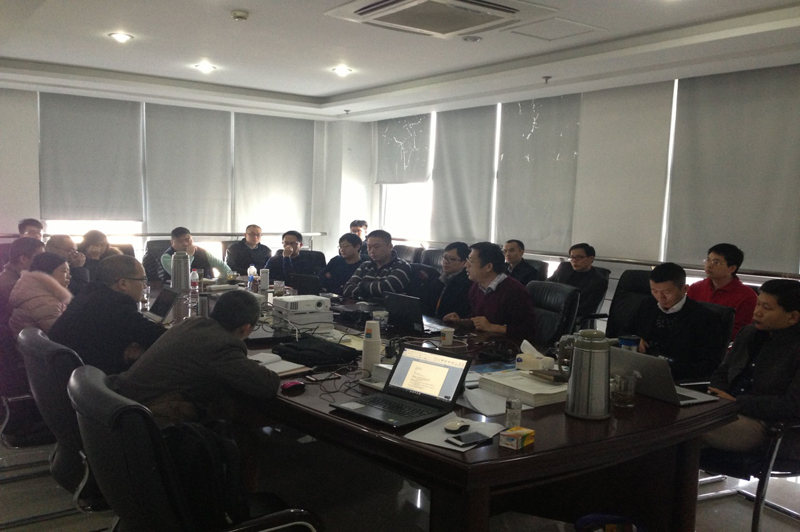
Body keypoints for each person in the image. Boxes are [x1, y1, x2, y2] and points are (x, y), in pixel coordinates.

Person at [113, 290, 280, 492]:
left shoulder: (191, 323)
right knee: (231, 414)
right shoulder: (222, 345)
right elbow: (267, 384)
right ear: (246, 328)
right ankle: (237, 489)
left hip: (123, 406)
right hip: (150, 421)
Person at [703, 280, 800, 455]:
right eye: (757, 304)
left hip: (767, 424)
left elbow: (793, 405)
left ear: (793, 317)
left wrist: (736, 403)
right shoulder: (749, 333)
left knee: (686, 429)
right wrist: (717, 394)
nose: (757, 312)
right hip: (726, 409)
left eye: (766, 308)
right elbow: (724, 371)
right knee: (672, 419)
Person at [49, 255, 166, 375]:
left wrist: (137, 343)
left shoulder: (89, 294)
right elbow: (163, 338)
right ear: (123, 283)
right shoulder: (115, 305)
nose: (145, 286)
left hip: (69, 375)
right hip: (92, 379)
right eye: (142, 280)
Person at [630, 262, 724, 382]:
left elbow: (708, 365)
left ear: (684, 289)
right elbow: (625, 331)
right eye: (654, 291)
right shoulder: (647, 305)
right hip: (641, 371)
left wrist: (668, 369)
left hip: (677, 379)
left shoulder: (705, 318)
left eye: (666, 292)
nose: (660, 298)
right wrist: (635, 339)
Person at [443, 242, 536, 342]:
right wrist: (461, 321)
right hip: (484, 343)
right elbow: (477, 318)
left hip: (508, 347)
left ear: (488, 267)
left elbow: (529, 331)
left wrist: (492, 327)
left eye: (471, 261)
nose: (466, 265)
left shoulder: (514, 291)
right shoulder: (476, 287)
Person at [688, 243, 757, 340]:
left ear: (732, 268)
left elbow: (741, 331)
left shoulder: (747, 296)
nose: (709, 265)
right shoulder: (695, 288)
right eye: (708, 260)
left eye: (716, 262)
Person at [8, 252, 72, 334]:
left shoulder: (34, 290)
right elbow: (62, 335)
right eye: (64, 271)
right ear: (47, 272)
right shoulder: (45, 302)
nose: (69, 276)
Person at [547, 243, 609, 324]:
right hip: (551, 310)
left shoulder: (599, 281)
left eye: (578, 257)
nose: (574, 260)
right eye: (572, 257)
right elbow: (547, 286)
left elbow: (586, 308)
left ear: (591, 258)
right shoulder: (564, 267)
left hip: (570, 317)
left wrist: (561, 310)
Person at [342, 229, 412, 300]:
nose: (372, 251)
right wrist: (371, 293)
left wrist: (361, 286)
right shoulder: (365, 265)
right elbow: (347, 288)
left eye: (377, 247)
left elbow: (386, 288)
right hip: (360, 306)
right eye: (369, 247)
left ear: (390, 247)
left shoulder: (402, 266)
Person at [0, 238, 46, 322]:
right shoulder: (13, 285)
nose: (44, 263)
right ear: (23, 259)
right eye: (40, 258)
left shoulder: (12, 278)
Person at [160, 227, 231, 279]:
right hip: (177, 291)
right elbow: (180, 276)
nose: (185, 244)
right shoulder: (167, 256)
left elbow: (224, 268)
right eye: (180, 241)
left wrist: (218, 282)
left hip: (205, 289)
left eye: (188, 240)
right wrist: (189, 255)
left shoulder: (202, 252)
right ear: (172, 242)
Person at [434, 242, 472, 320]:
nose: (445, 261)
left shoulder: (467, 283)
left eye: (451, 259)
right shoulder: (442, 278)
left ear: (464, 263)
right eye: (444, 257)